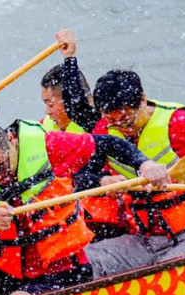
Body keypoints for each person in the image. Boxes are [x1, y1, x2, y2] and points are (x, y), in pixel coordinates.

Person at [0, 121, 171, 295]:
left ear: (11, 140)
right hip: (7, 269)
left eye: (2, 166)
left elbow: (110, 144)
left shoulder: (48, 144)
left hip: (60, 268)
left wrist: (146, 164)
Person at [58, 32, 185, 274]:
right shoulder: (105, 131)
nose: (122, 127)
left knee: (168, 271)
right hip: (143, 239)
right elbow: (75, 175)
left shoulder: (184, 124)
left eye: (127, 119)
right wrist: (104, 180)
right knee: (81, 263)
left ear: (142, 99)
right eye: (113, 121)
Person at [39, 30, 133, 241]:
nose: (46, 111)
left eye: (50, 103)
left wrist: (70, 58)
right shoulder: (42, 131)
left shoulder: (97, 125)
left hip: (114, 216)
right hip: (80, 219)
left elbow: (76, 105)